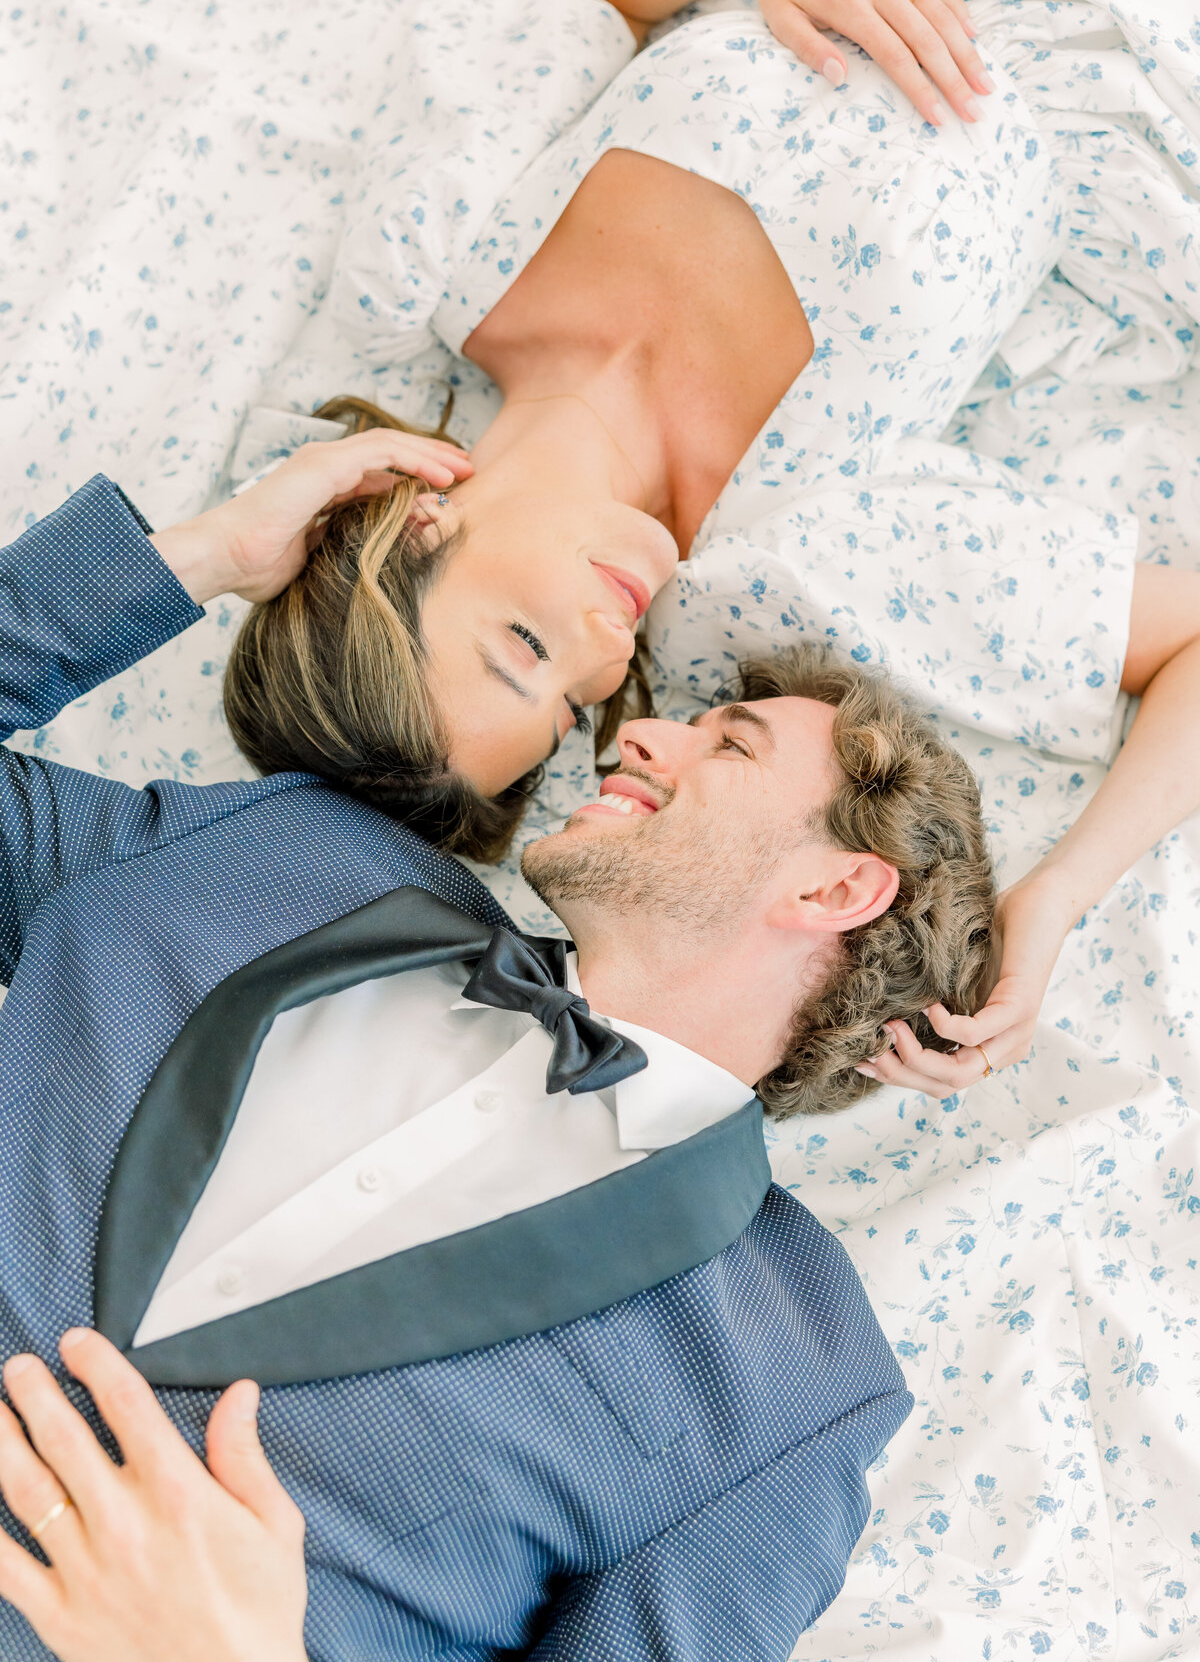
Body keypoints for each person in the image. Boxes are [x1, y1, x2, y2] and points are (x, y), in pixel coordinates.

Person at [0, 457, 998, 1658]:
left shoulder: (798, 1387)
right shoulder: (291, 856)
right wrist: (197, 555)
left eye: (727, 745)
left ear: (839, 885)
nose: (639, 742)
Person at [216, 0, 1200, 1096]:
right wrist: (1055, 895)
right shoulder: (805, 541)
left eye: (526, 642)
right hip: (1146, 31)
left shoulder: (439, 259)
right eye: (580, 699)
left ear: (415, 522)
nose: (607, 645)